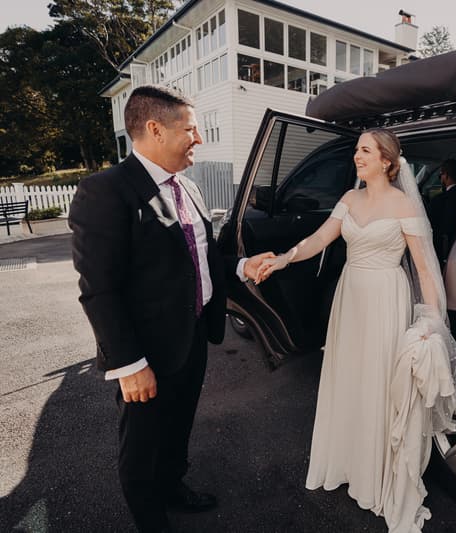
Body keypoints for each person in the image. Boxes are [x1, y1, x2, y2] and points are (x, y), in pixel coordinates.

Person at [69, 85, 266, 533]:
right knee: (141, 442)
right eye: (191, 130)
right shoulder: (105, 191)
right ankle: (150, 518)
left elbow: (201, 256)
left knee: (178, 426)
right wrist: (128, 363)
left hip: (193, 334)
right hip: (144, 350)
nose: (198, 139)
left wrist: (240, 266)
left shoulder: (190, 188)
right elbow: (100, 289)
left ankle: (173, 485)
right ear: (155, 129)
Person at [255, 129, 456, 532]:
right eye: (356, 150)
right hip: (350, 300)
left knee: (380, 383)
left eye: (364, 150)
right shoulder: (349, 199)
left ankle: (376, 474)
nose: (356, 156)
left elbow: (424, 269)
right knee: (351, 379)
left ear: (386, 160)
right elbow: (319, 239)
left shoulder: (403, 204)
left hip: (387, 298)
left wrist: (432, 321)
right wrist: (283, 259)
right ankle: (348, 461)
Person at [427, 159, 456, 262]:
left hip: (442, 251)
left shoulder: (438, 200)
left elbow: (429, 227)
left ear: (445, 176)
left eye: (441, 175)